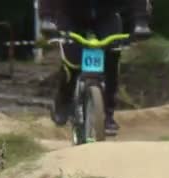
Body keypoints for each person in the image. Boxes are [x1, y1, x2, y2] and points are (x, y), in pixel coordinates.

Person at [39, 0, 152, 135]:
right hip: (69, 15)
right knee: (72, 62)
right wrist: (47, 18)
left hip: (106, 15)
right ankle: (64, 99)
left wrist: (141, 22)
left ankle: (107, 115)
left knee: (112, 58)